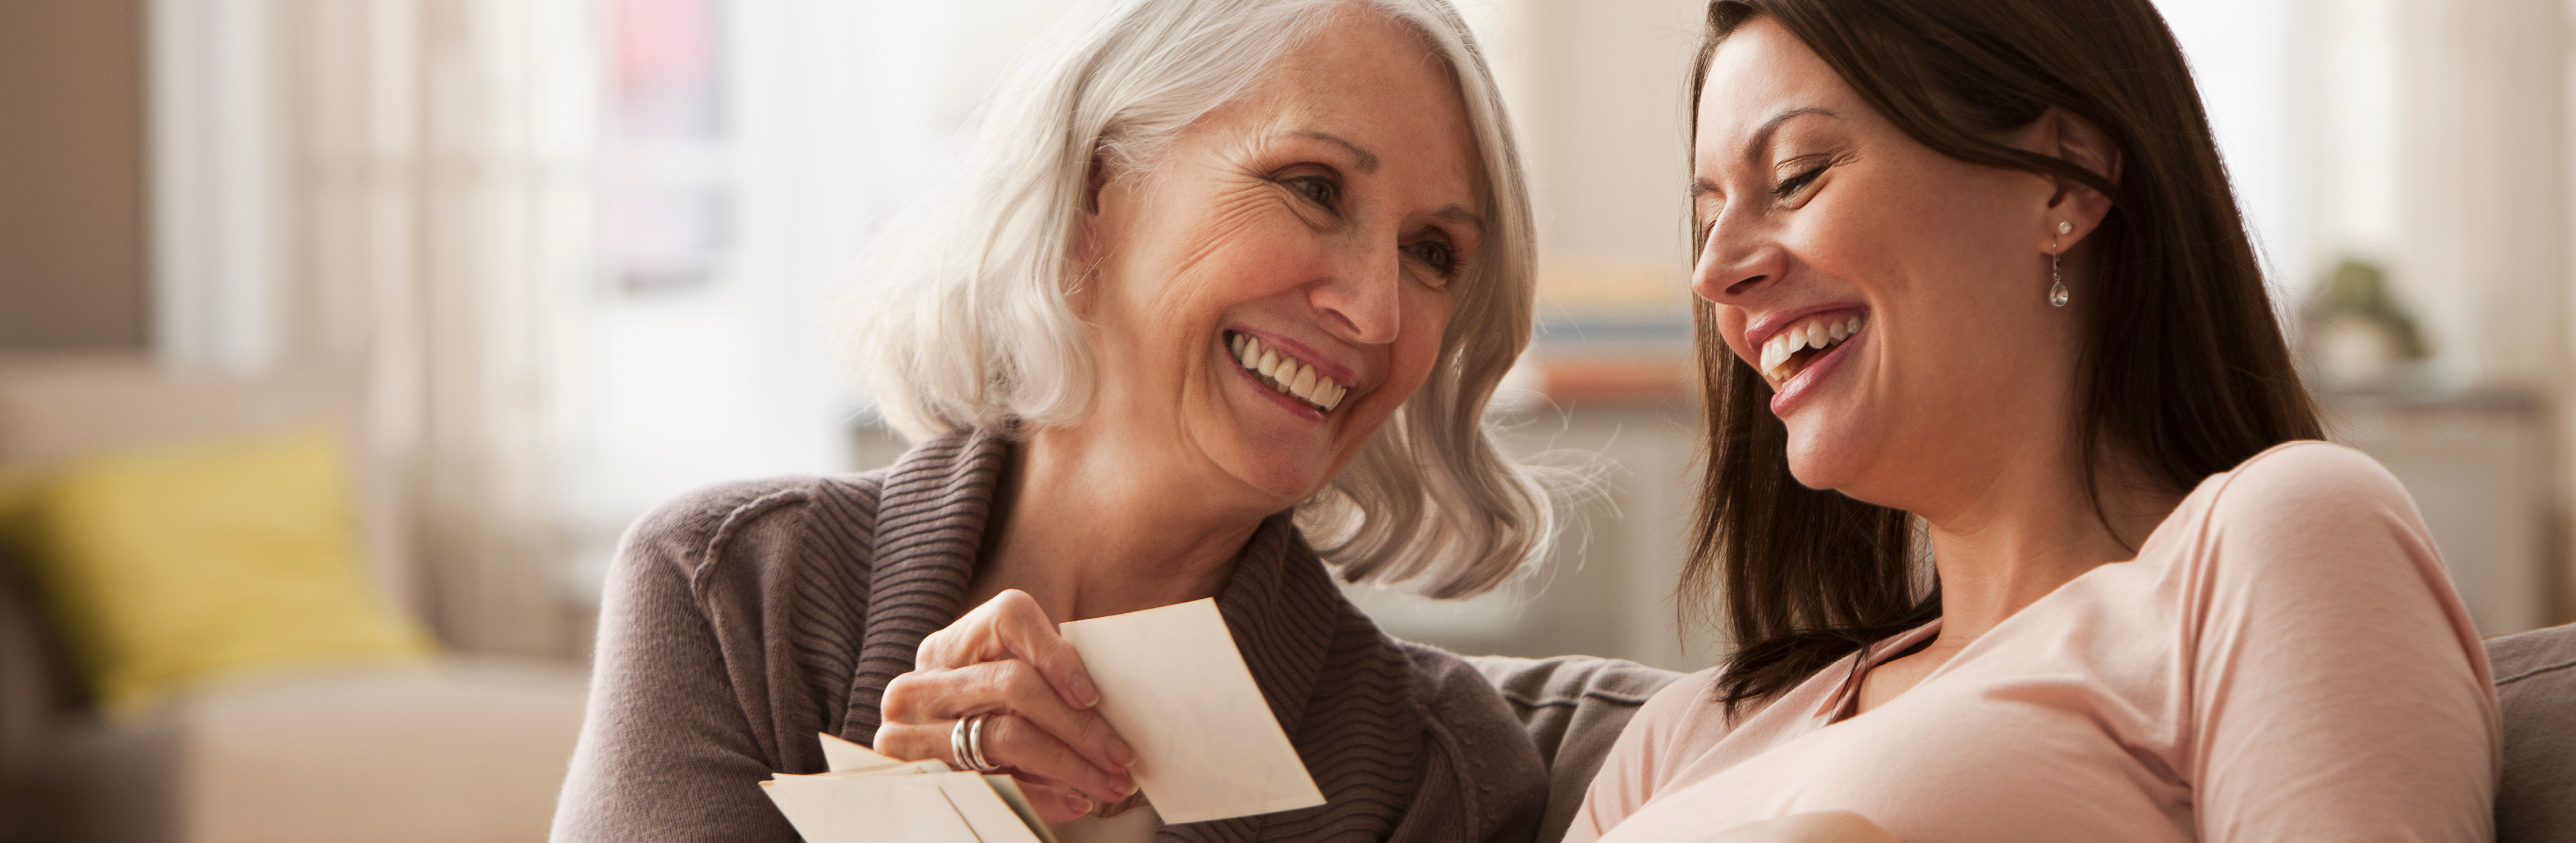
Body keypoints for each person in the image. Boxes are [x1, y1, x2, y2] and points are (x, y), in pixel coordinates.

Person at [550, 0, 1565, 840]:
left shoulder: (1436, 772)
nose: (1377, 310)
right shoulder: (729, 594)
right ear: (1098, 186)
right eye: (1312, 187)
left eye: (1433, 253)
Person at [1567, 1, 2501, 841]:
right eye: (1707, 218)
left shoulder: (2277, 542)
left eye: (1798, 176)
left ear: (2064, 179)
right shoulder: (1683, 736)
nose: (1714, 272)